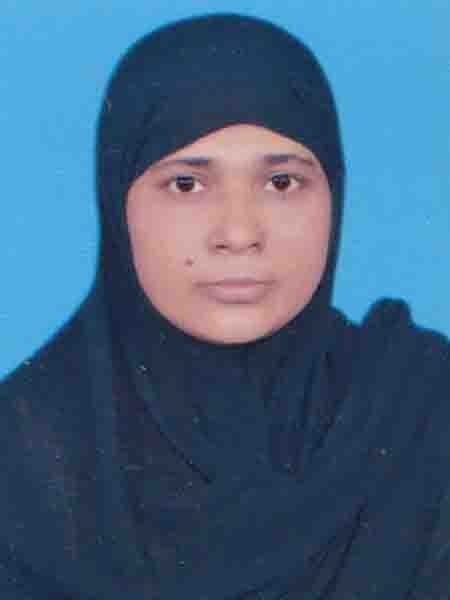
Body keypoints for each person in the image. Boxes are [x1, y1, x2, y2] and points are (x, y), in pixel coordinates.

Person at [1, 12, 449, 600]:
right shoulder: (21, 457)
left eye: (282, 182)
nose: (239, 233)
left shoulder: (422, 413)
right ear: (117, 204)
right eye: (186, 184)